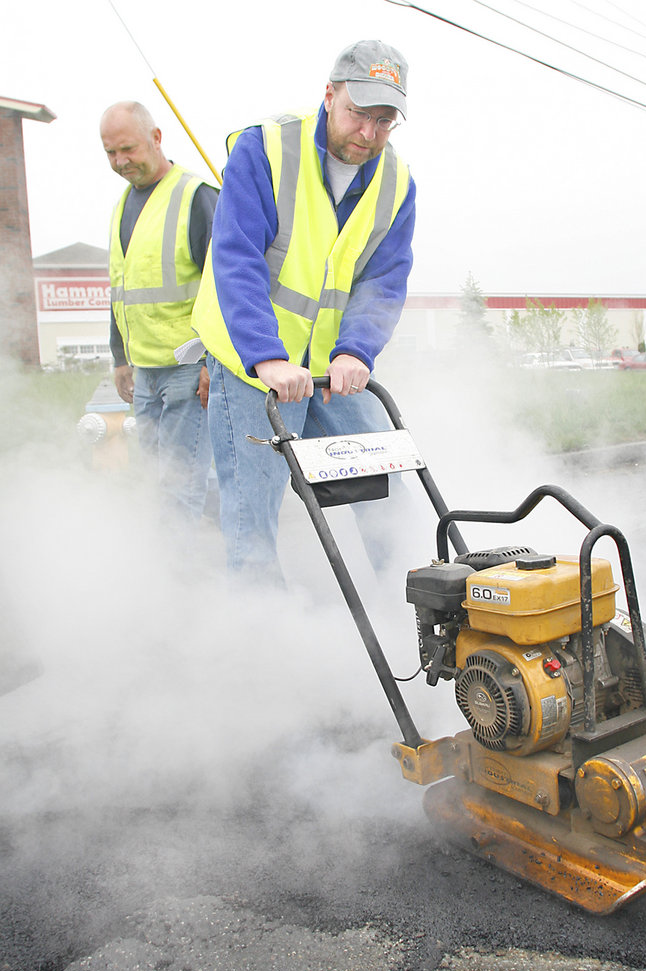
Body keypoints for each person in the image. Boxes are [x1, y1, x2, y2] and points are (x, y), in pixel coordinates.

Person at [191, 40, 415, 578]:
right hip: (254, 364)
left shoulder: (397, 183)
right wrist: (265, 357)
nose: (368, 133)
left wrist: (357, 350)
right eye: (358, 113)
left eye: (385, 121)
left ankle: (415, 618)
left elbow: (383, 279)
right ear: (330, 96)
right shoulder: (264, 149)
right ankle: (264, 649)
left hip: (329, 368)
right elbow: (237, 255)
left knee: (387, 490)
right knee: (253, 517)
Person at [100, 100, 218, 519]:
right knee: (154, 481)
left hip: (189, 369)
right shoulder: (123, 206)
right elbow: (122, 290)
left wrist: (212, 363)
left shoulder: (196, 197)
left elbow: (224, 287)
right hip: (145, 371)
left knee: (181, 484)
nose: (120, 161)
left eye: (128, 149)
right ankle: (161, 567)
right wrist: (120, 358)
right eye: (110, 152)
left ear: (156, 138)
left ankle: (179, 579)